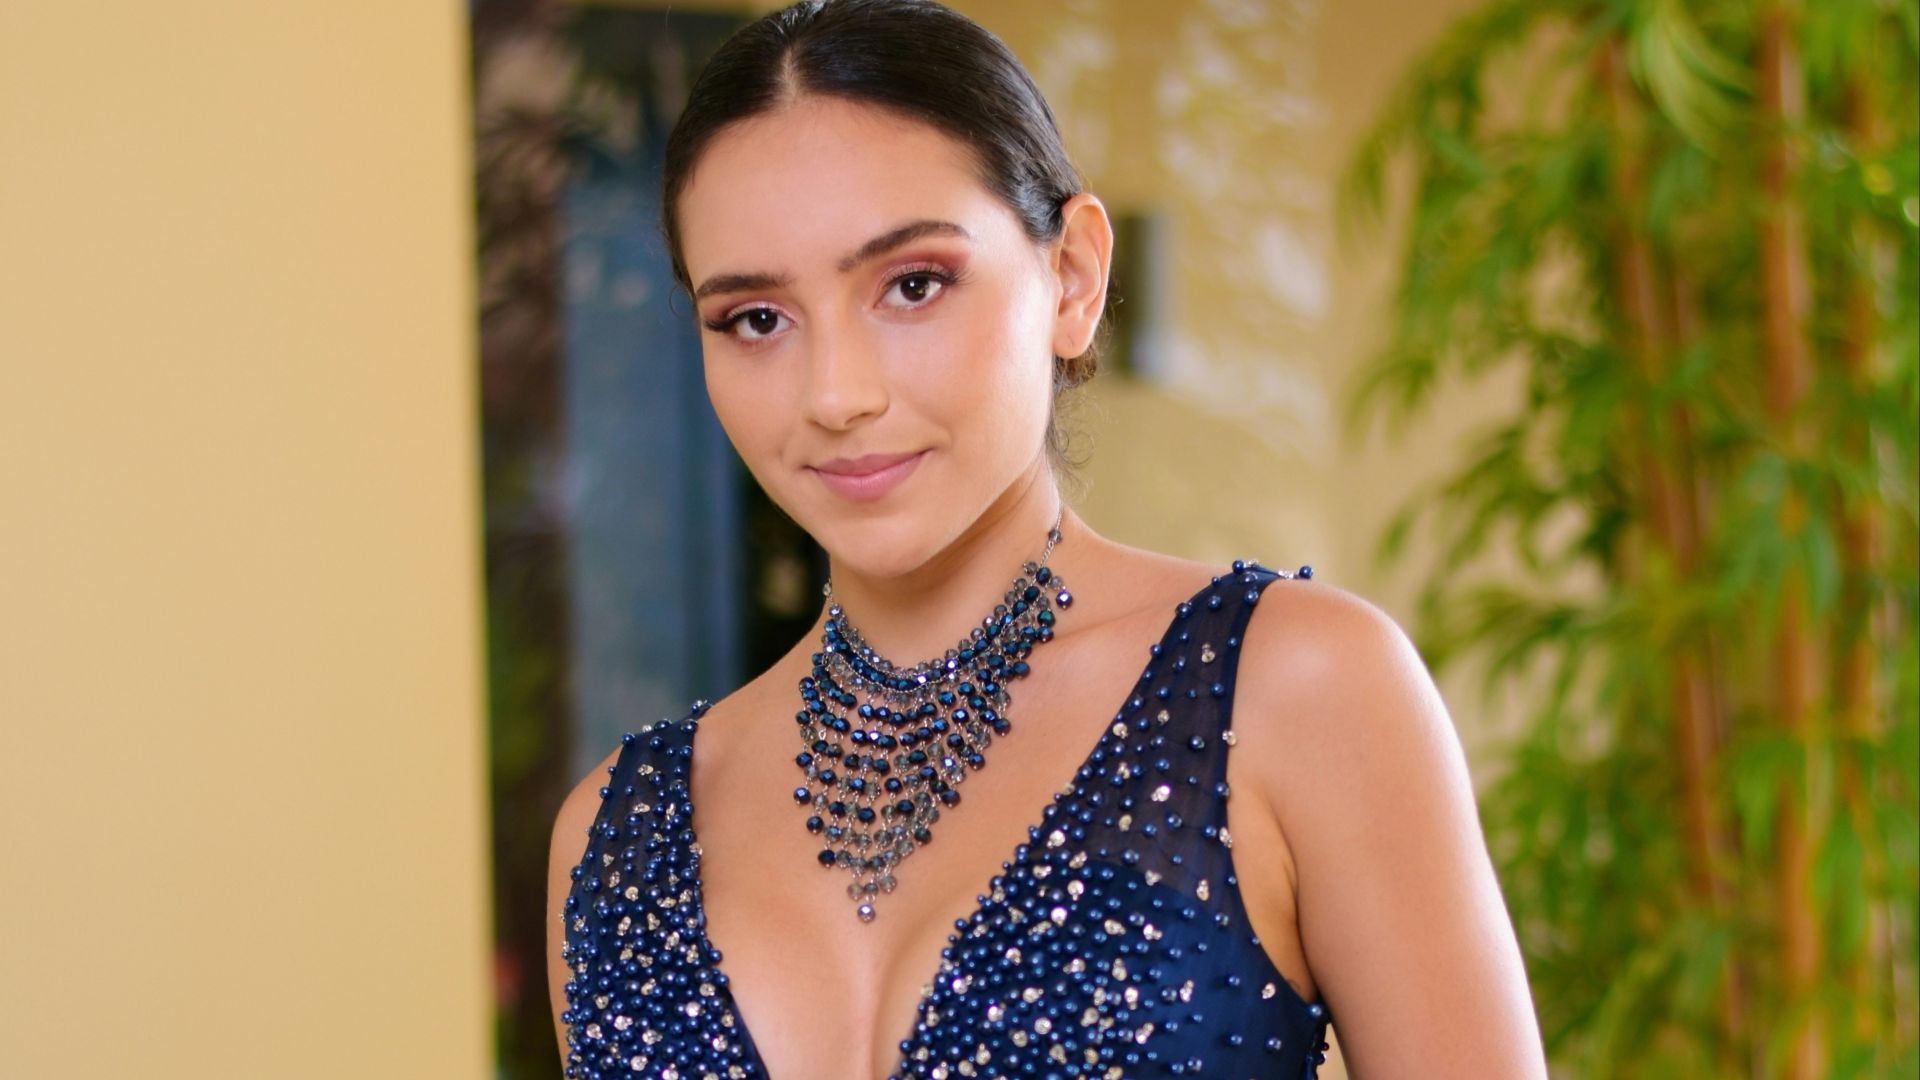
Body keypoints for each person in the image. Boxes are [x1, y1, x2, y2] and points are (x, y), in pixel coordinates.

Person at [546, 1, 1547, 1077]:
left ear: (1071, 277)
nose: (834, 394)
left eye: (913, 286)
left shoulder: (1296, 692)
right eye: (756, 319)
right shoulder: (613, 840)